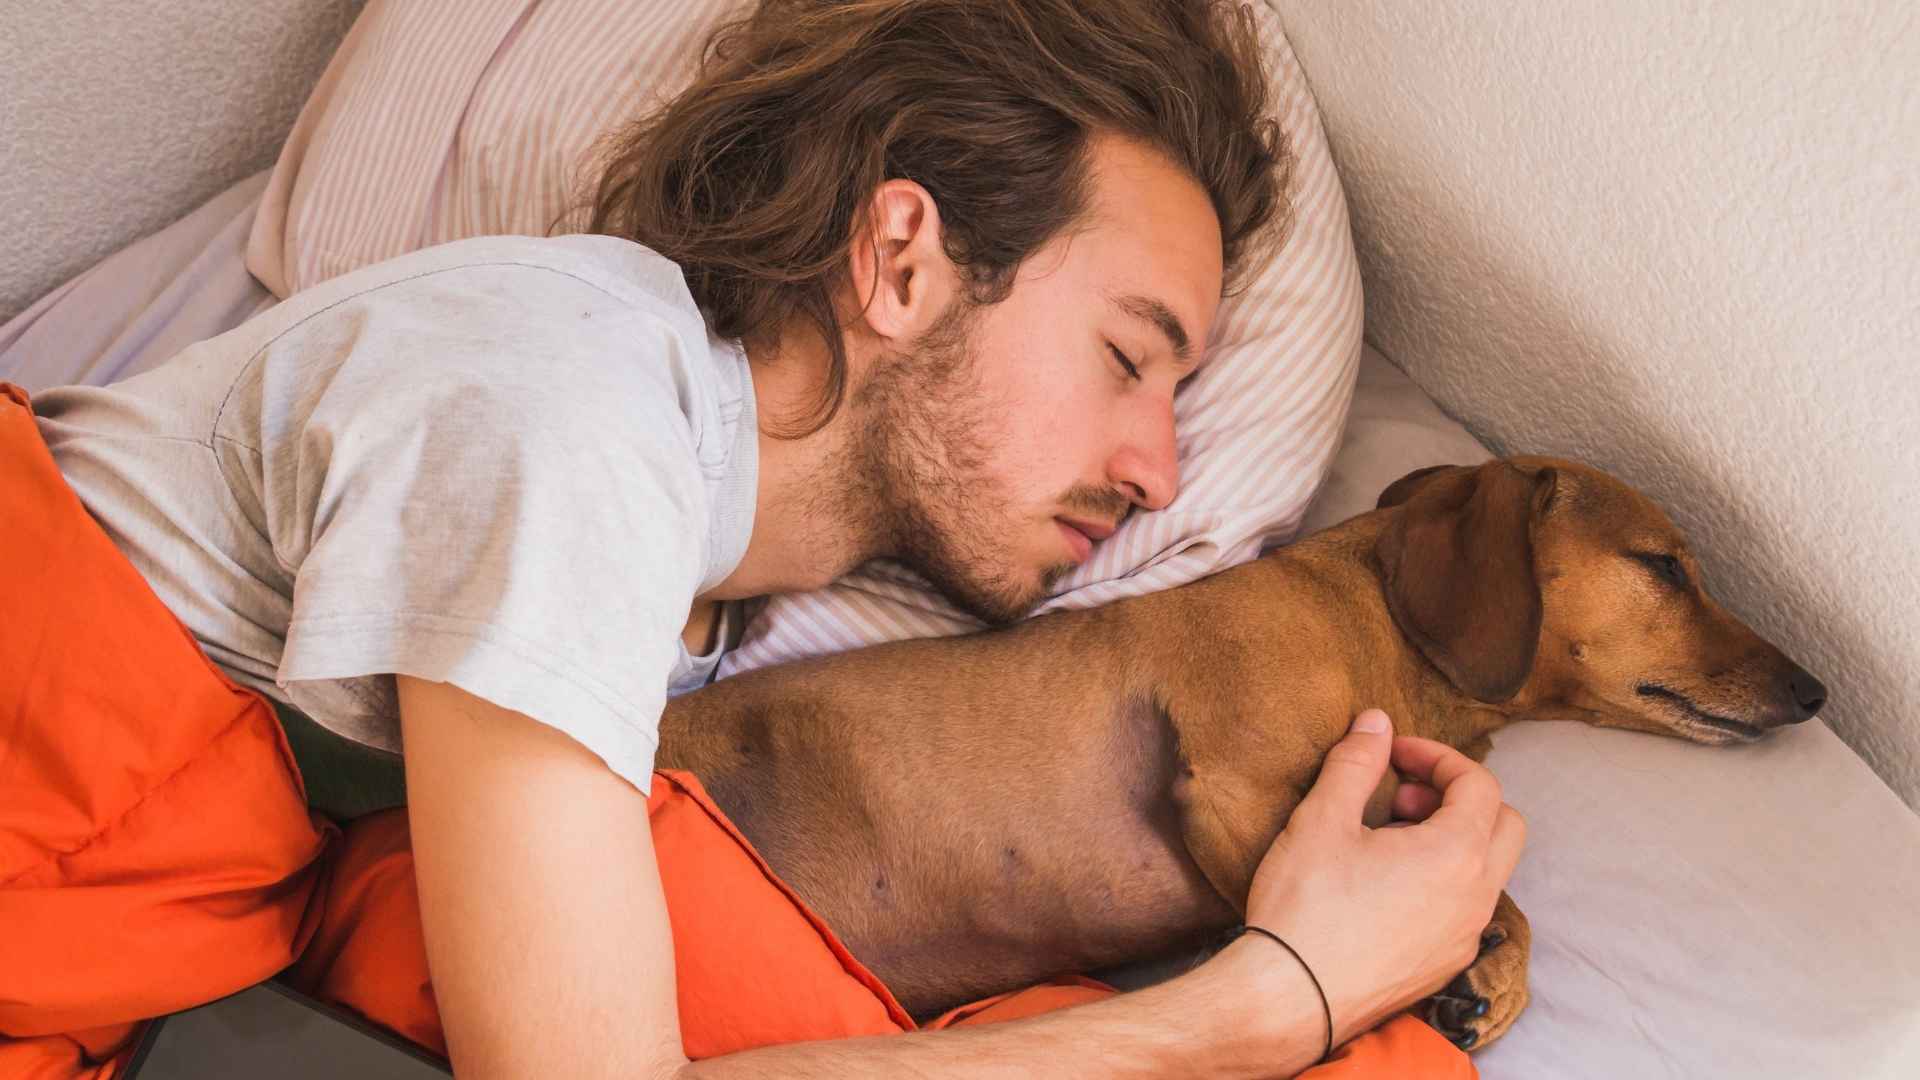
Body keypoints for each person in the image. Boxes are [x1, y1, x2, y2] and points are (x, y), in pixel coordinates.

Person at [10, 1, 1522, 1076]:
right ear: (902, 260)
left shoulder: (686, 582)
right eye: (1129, 358)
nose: (1159, 470)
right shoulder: (576, 409)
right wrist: (1274, 1004)